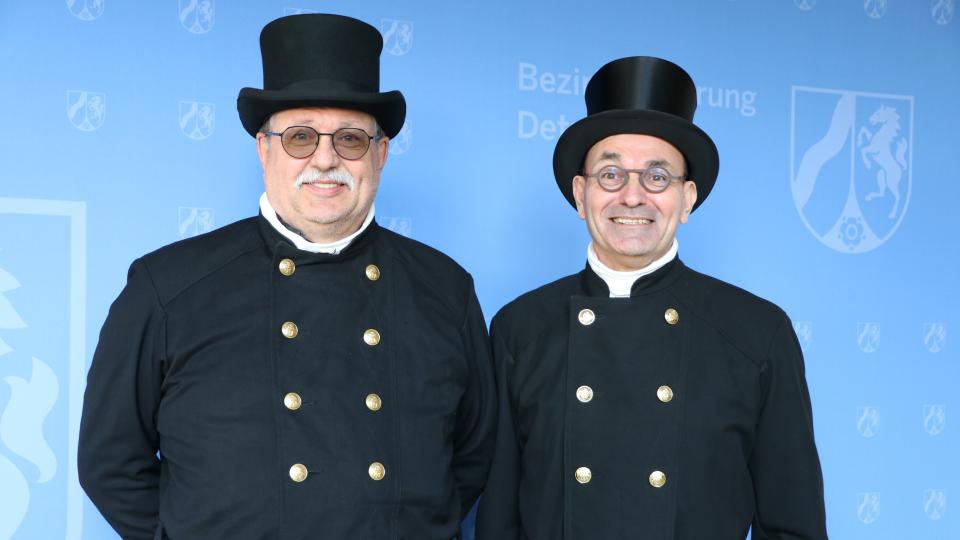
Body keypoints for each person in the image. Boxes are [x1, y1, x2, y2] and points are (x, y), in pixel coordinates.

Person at [78, 14, 495, 540]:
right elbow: (109, 462)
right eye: (300, 137)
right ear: (264, 147)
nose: (325, 159)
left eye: (350, 139)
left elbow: (474, 455)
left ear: (381, 154)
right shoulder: (167, 287)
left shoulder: (445, 288)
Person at [476, 56, 827, 539]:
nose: (633, 196)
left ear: (687, 199)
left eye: (658, 176)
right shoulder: (520, 329)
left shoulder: (756, 333)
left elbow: (793, 525)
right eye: (611, 174)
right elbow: (498, 521)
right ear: (581, 195)